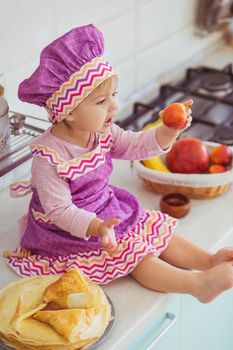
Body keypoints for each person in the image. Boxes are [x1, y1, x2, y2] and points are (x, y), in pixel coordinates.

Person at [6, 24, 233, 304]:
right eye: (101, 101)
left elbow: (135, 144)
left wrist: (168, 130)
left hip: (106, 210)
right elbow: (60, 211)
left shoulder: (101, 131)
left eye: (113, 95)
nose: (114, 106)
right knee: (134, 255)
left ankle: (208, 260)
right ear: (69, 113)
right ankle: (198, 284)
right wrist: (97, 227)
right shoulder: (49, 157)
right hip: (69, 230)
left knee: (155, 226)